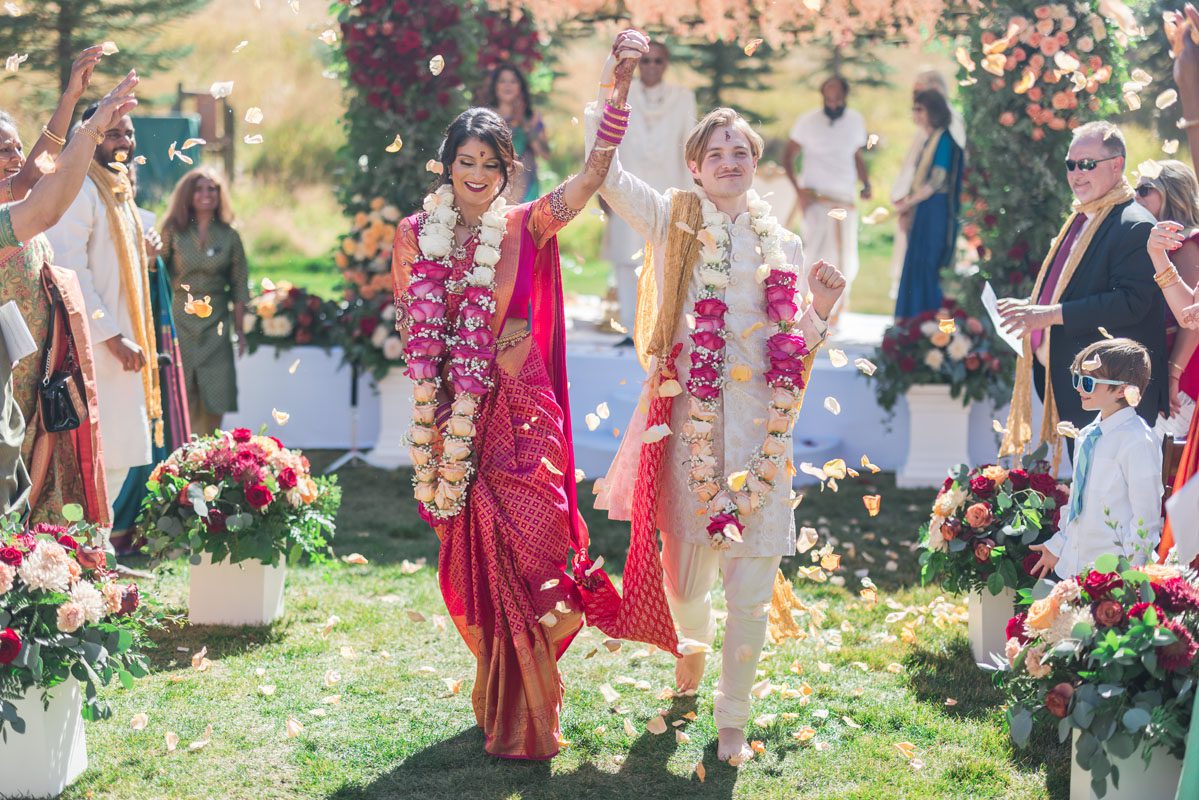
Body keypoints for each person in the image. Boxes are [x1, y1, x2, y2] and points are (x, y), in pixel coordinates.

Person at [391, 31, 651, 760]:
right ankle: (508, 694)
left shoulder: (525, 223)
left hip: (522, 406)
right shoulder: (415, 234)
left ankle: (531, 678)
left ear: (508, 171)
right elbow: (417, 330)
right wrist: (460, 374)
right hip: (455, 416)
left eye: (491, 164)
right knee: (476, 561)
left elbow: (592, 176)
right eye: (465, 161)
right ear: (447, 165)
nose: (477, 174)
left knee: (539, 543)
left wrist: (616, 90)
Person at [591, 100, 847, 764]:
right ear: (694, 168)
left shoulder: (784, 244)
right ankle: (692, 651)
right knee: (683, 586)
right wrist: (612, 97)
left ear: (756, 164)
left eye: (741, 153)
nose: (730, 163)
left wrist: (820, 309)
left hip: (761, 440)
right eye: (716, 154)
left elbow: (796, 346)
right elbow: (609, 177)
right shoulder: (673, 222)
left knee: (751, 598)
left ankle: (732, 718)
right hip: (690, 437)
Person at [997, 121, 1166, 467]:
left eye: (1087, 164)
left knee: (1108, 491)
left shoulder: (1134, 223)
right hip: (1078, 384)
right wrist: (1032, 307)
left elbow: (1131, 303)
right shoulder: (1084, 217)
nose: (1076, 174)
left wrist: (1049, 314)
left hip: (1112, 391)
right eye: (1070, 164)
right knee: (1085, 486)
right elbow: (1075, 287)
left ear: (1117, 165)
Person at [0, 47, 116, 527]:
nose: (16, 158)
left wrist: (71, 98)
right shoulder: (9, 221)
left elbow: (35, 174)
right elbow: (46, 206)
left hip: (34, 373)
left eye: (15, 147)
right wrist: (91, 130)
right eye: (4, 150)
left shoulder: (12, 202)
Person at [44, 100, 163, 526]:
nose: (124, 142)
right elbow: (70, 269)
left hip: (121, 341)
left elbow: (113, 262)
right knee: (98, 454)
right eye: (113, 133)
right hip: (95, 345)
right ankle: (87, 547)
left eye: (128, 133)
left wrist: (145, 252)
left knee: (118, 455)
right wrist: (112, 336)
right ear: (91, 136)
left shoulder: (117, 187)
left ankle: (98, 545)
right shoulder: (80, 188)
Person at [1028, 339, 1162, 579]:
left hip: (1114, 573)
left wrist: (1130, 576)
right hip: (1074, 566)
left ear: (1122, 390)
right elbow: (1077, 501)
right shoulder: (1087, 435)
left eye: (1088, 382)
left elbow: (1146, 520)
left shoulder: (1138, 441)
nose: (1079, 388)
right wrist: (1058, 545)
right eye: (1077, 379)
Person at [109, 163, 191, 536]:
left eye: (131, 178)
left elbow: (156, 287)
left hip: (144, 334)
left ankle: (145, 520)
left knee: (148, 426)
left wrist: (152, 260)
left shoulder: (143, 219)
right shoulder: (88, 213)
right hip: (111, 332)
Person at [600, 41, 696, 340]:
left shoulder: (683, 98)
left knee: (666, 260)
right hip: (625, 187)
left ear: (666, 64)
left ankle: (661, 331)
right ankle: (632, 330)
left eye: (657, 61)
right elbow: (605, 140)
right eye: (646, 61)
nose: (651, 66)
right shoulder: (620, 94)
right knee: (626, 259)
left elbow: (691, 146)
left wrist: (693, 196)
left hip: (670, 190)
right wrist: (602, 186)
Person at [159, 167, 248, 436]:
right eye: (199, 189)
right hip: (180, 319)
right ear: (188, 194)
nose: (206, 194)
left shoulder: (229, 235)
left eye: (212, 189)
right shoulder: (173, 231)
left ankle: (210, 447)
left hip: (216, 322)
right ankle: (181, 447)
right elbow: (157, 273)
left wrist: (240, 329)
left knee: (215, 387)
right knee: (180, 387)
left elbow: (239, 285)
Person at [783, 75, 870, 320]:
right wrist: (799, 191)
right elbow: (788, 156)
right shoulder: (807, 121)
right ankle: (804, 310)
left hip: (845, 198)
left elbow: (856, 155)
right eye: (828, 98)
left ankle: (835, 312)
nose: (832, 103)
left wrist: (866, 183)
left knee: (845, 256)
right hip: (816, 199)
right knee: (814, 254)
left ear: (845, 96)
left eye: (837, 98)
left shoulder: (855, 120)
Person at [1133, 160, 1199, 439]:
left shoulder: (1187, 242)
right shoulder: (1163, 243)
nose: (1136, 196)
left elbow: (1193, 318)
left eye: (1145, 189)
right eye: (1135, 189)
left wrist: (1173, 373)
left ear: (1171, 192)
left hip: (1185, 370)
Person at [889, 69, 965, 298]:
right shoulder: (928, 135)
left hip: (934, 208)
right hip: (921, 206)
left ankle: (925, 316)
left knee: (928, 264)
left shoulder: (946, 133)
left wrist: (908, 202)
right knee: (915, 262)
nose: (915, 110)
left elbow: (938, 179)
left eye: (920, 106)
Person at [484, 63, 548, 203]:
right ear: (495, 86)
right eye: (502, 81)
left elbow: (544, 154)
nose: (508, 86)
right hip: (495, 188)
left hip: (527, 189)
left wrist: (523, 122)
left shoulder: (532, 117)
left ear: (521, 87)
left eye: (513, 81)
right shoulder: (485, 117)